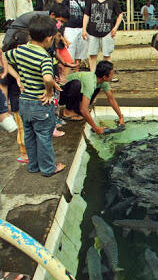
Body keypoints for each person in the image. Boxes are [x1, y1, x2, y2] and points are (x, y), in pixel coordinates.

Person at [4, 15, 66, 176]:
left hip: (24, 102)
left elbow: (3, 57)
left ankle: (33, 166)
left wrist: (17, 77)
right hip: (41, 104)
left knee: (30, 136)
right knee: (44, 137)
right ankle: (48, 168)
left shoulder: (21, 50)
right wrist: (49, 91)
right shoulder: (44, 57)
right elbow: (47, 77)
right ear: (49, 38)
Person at [59, 61, 124, 134]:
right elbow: (84, 110)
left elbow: (111, 99)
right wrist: (96, 129)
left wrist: (120, 117)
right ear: (105, 77)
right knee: (76, 84)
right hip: (61, 94)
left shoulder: (103, 81)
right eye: (112, 74)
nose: (113, 76)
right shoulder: (90, 82)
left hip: (77, 93)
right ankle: (68, 112)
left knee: (97, 87)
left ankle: (77, 110)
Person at [0, 30, 30, 162]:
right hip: (17, 103)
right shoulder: (8, 65)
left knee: (27, 128)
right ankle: (24, 154)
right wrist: (5, 109)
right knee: (22, 129)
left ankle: (28, 152)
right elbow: (3, 87)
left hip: (26, 101)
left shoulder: (21, 60)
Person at [82, 0, 123, 72]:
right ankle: (92, 74)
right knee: (92, 55)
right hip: (92, 32)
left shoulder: (113, 1)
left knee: (107, 55)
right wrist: (84, 29)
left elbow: (120, 14)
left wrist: (115, 27)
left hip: (107, 32)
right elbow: (86, 15)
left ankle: (107, 74)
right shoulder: (91, 0)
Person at [2, 3, 69, 48]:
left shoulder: (47, 19)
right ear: (52, 15)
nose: (61, 24)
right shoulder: (40, 19)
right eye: (61, 21)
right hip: (14, 36)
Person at [64, 0, 91, 69]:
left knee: (80, 53)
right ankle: (66, 75)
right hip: (70, 28)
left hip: (81, 28)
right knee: (69, 53)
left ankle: (76, 72)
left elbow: (92, 3)